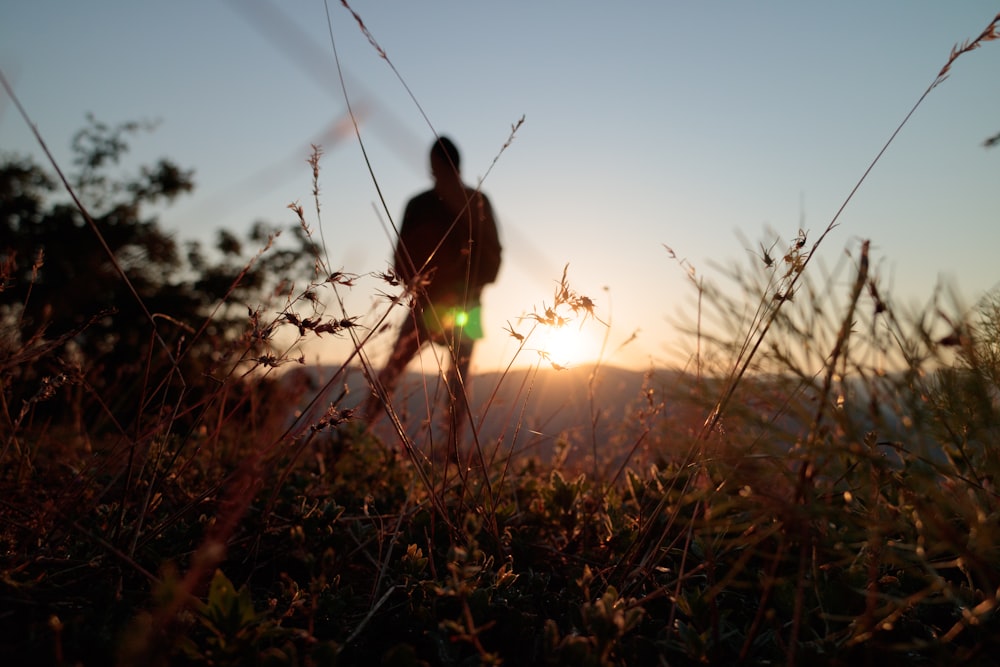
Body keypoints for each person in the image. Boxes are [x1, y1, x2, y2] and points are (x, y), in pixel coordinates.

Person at [364, 136, 502, 452]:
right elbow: (494, 256)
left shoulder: (442, 203)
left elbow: (492, 256)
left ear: (435, 165)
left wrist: (430, 289)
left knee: (406, 374)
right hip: (449, 305)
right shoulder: (466, 200)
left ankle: (362, 433)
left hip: (444, 304)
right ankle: (449, 450)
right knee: (450, 381)